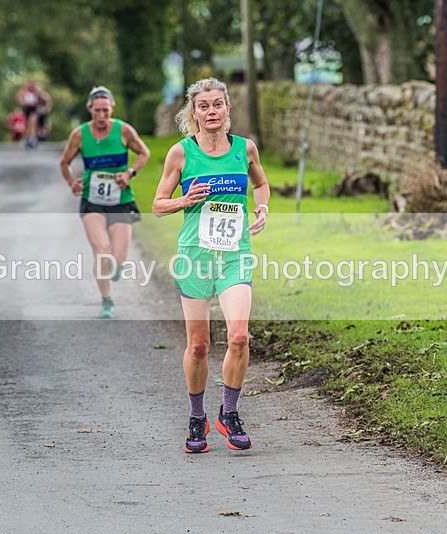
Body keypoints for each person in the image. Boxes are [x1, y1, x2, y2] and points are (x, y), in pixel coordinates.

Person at [152, 78, 270, 453]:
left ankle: (229, 414)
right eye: (203, 106)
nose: (212, 112)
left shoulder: (244, 148)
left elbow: (261, 184)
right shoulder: (181, 154)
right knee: (199, 345)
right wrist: (184, 200)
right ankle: (196, 417)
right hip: (196, 255)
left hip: (235, 253)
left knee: (239, 336)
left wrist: (263, 207)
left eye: (218, 104)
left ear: (227, 108)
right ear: (194, 112)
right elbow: (158, 204)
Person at [59, 86, 150, 319]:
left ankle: (116, 267)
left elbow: (144, 153)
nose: (101, 116)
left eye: (105, 111)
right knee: (101, 250)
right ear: (89, 109)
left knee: (118, 256)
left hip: (121, 199)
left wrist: (129, 173)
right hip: (92, 199)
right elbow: (64, 163)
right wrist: (72, 182)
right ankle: (106, 301)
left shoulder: (123, 131)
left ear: (112, 108)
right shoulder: (79, 135)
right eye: (97, 111)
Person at [16, 80, 40, 148]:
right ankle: (28, 139)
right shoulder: (24, 91)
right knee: (27, 125)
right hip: (27, 108)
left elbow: (41, 96)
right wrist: (23, 90)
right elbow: (18, 98)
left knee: (33, 124)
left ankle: (33, 140)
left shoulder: (35, 91)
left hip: (33, 108)